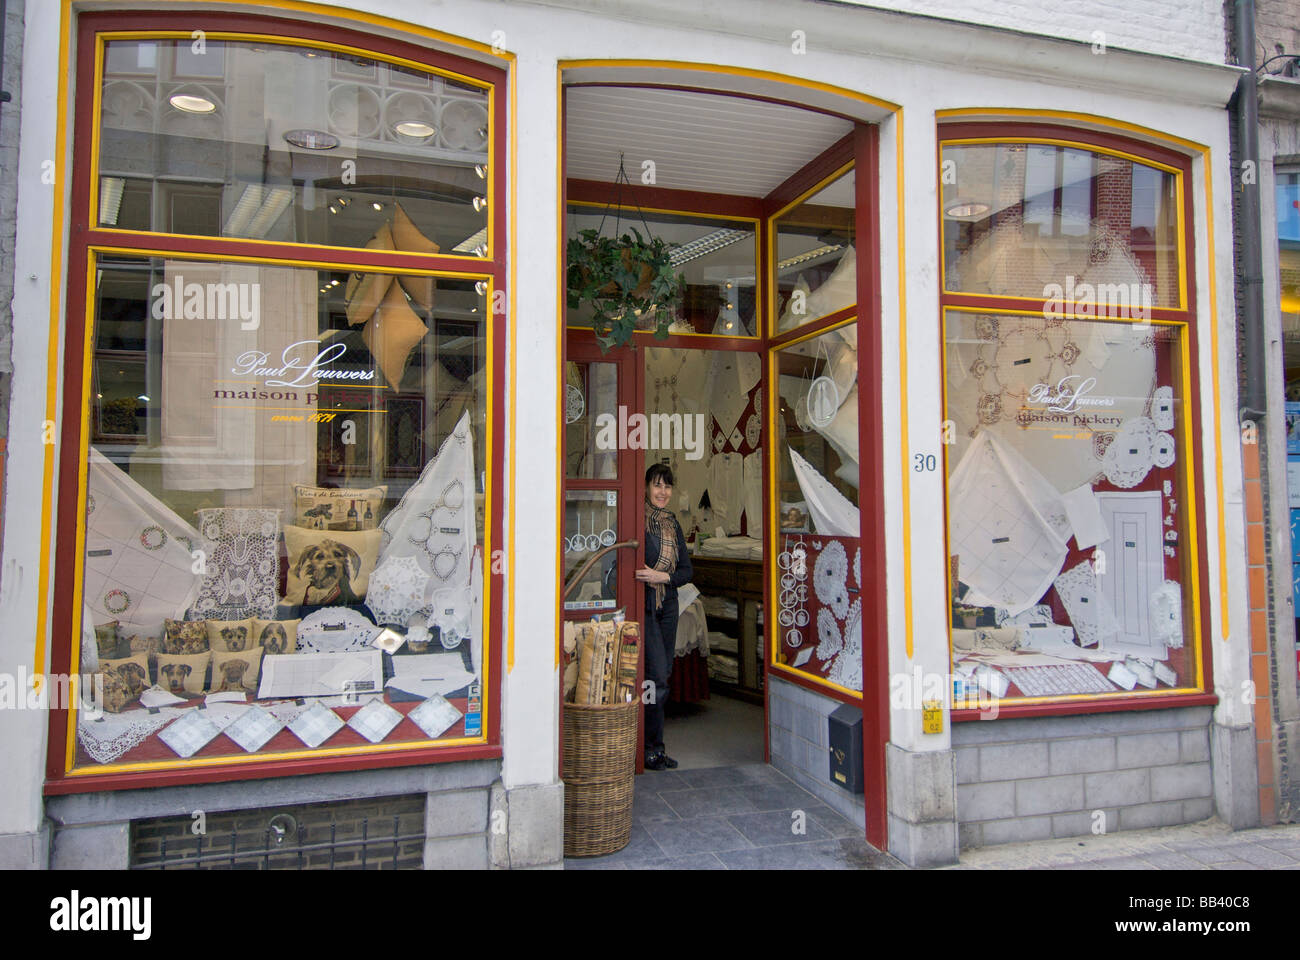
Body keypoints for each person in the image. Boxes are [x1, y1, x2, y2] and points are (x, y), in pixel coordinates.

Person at [637, 463, 693, 771]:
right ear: (646, 487)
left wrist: (663, 577)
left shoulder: (672, 524)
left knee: (663, 676)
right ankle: (647, 747)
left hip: (668, 604)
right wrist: (653, 577)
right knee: (655, 677)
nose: (662, 492)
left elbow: (686, 570)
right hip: (644, 604)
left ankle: (654, 747)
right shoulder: (638, 519)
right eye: (657, 485)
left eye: (667, 487)